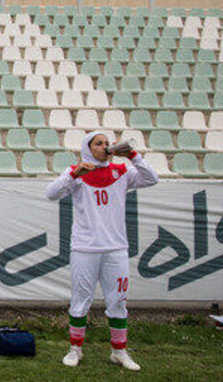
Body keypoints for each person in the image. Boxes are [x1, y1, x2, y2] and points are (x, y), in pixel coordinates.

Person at [47, 131, 158, 371]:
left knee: (117, 301)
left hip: (116, 248)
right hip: (85, 248)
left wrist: (133, 156)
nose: (105, 147)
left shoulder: (122, 171)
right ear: (88, 148)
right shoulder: (77, 173)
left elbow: (152, 179)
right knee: (80, 300)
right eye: (99, 143)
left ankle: (119, 351)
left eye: (107, 143)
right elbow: (51, 193)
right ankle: (75, 349)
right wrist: (73, 174)